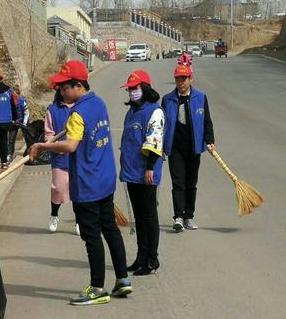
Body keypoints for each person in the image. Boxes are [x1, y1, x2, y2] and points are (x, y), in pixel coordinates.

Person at [30, 60, 132, 306]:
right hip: (105, 178)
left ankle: (97, 288)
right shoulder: (97, 103)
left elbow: (69, 146)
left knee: (91, 236)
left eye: (64, 87)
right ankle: (122, 280)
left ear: (78, 85)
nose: (61, 92)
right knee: (110, 229)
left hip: (88, 182)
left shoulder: (77, 113)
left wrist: (43, 145)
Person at [119, 70, 164, 276]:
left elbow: (155, 141)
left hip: (146, 171)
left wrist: (149, 168)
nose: (131, 92)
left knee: (148, 216)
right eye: (129, 89)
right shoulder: (131, 112)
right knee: (138, 217)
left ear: (145, 88)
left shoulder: (154, 111)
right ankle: (140, 256)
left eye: (135, 88)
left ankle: (152, 259)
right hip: (131, 171)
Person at [162, 65, 215, 231]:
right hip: (175, 148)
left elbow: (207, 121)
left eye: (183, 79)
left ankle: (189, 216)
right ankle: (178, 216)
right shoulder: (167, 99)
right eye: (178, 79)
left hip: (193, 148)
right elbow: (161, 124)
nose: (181, 82)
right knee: (178, 183)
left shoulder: (200, 97)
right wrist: (160, 146)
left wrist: (210, 139)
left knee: (191, 183)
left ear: (190, 79)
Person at [44, 88, 79, 235]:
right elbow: (49, 134)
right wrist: (54, 146)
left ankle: (79, 221)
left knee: (78, 189)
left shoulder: (80, 107)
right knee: (58, 188)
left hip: (79, 156)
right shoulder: (52, 110)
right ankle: (54, 215)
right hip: (60, 156)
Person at [7, 89, 30, 163]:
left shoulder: (21, 101)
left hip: (23, 120)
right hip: (13, 122)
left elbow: (26, 113)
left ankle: (30, 150)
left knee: (28, 136)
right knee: (11, 139)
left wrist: (24, 123)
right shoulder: (7, 103)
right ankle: (10, 154)